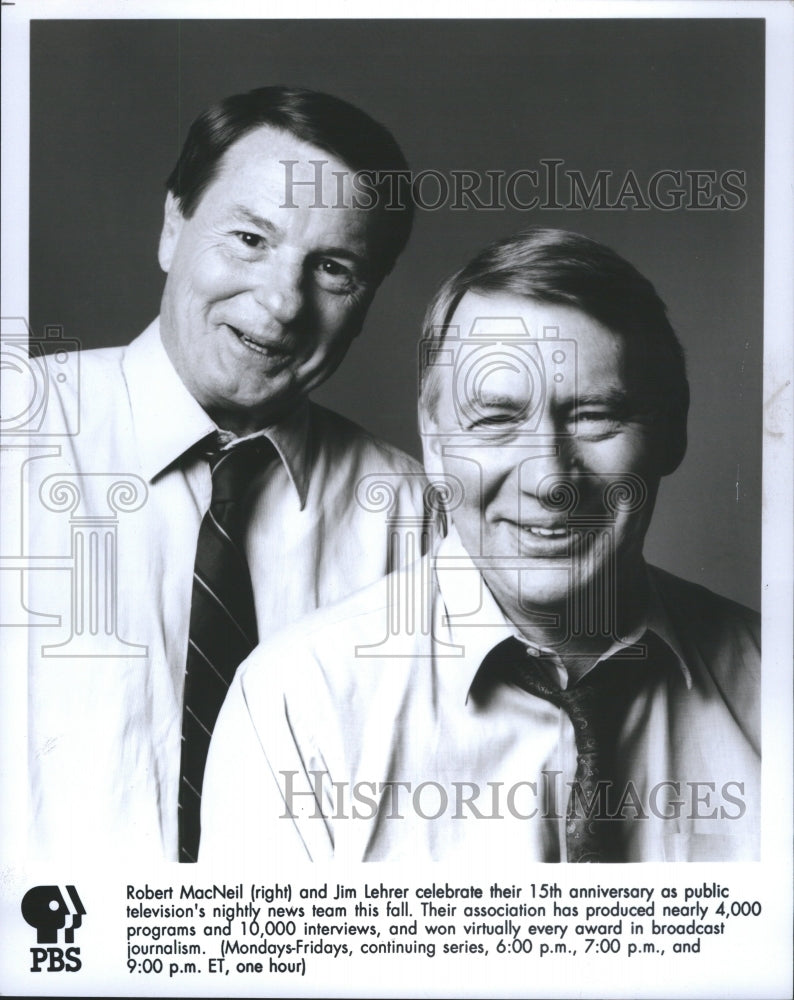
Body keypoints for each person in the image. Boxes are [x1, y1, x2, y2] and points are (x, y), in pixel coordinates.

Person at [200, 228, 760, 863]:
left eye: (594, 415)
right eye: (496, 420)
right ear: (435, 443)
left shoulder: (775, 687)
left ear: (671, 432)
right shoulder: (298, 706)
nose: (549, 478)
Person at [22, 87, 429, 862]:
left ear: (368, 299)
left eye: (334, 269)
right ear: (174, 225)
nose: (280, 304)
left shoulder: (416, 522)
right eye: (249, 238)